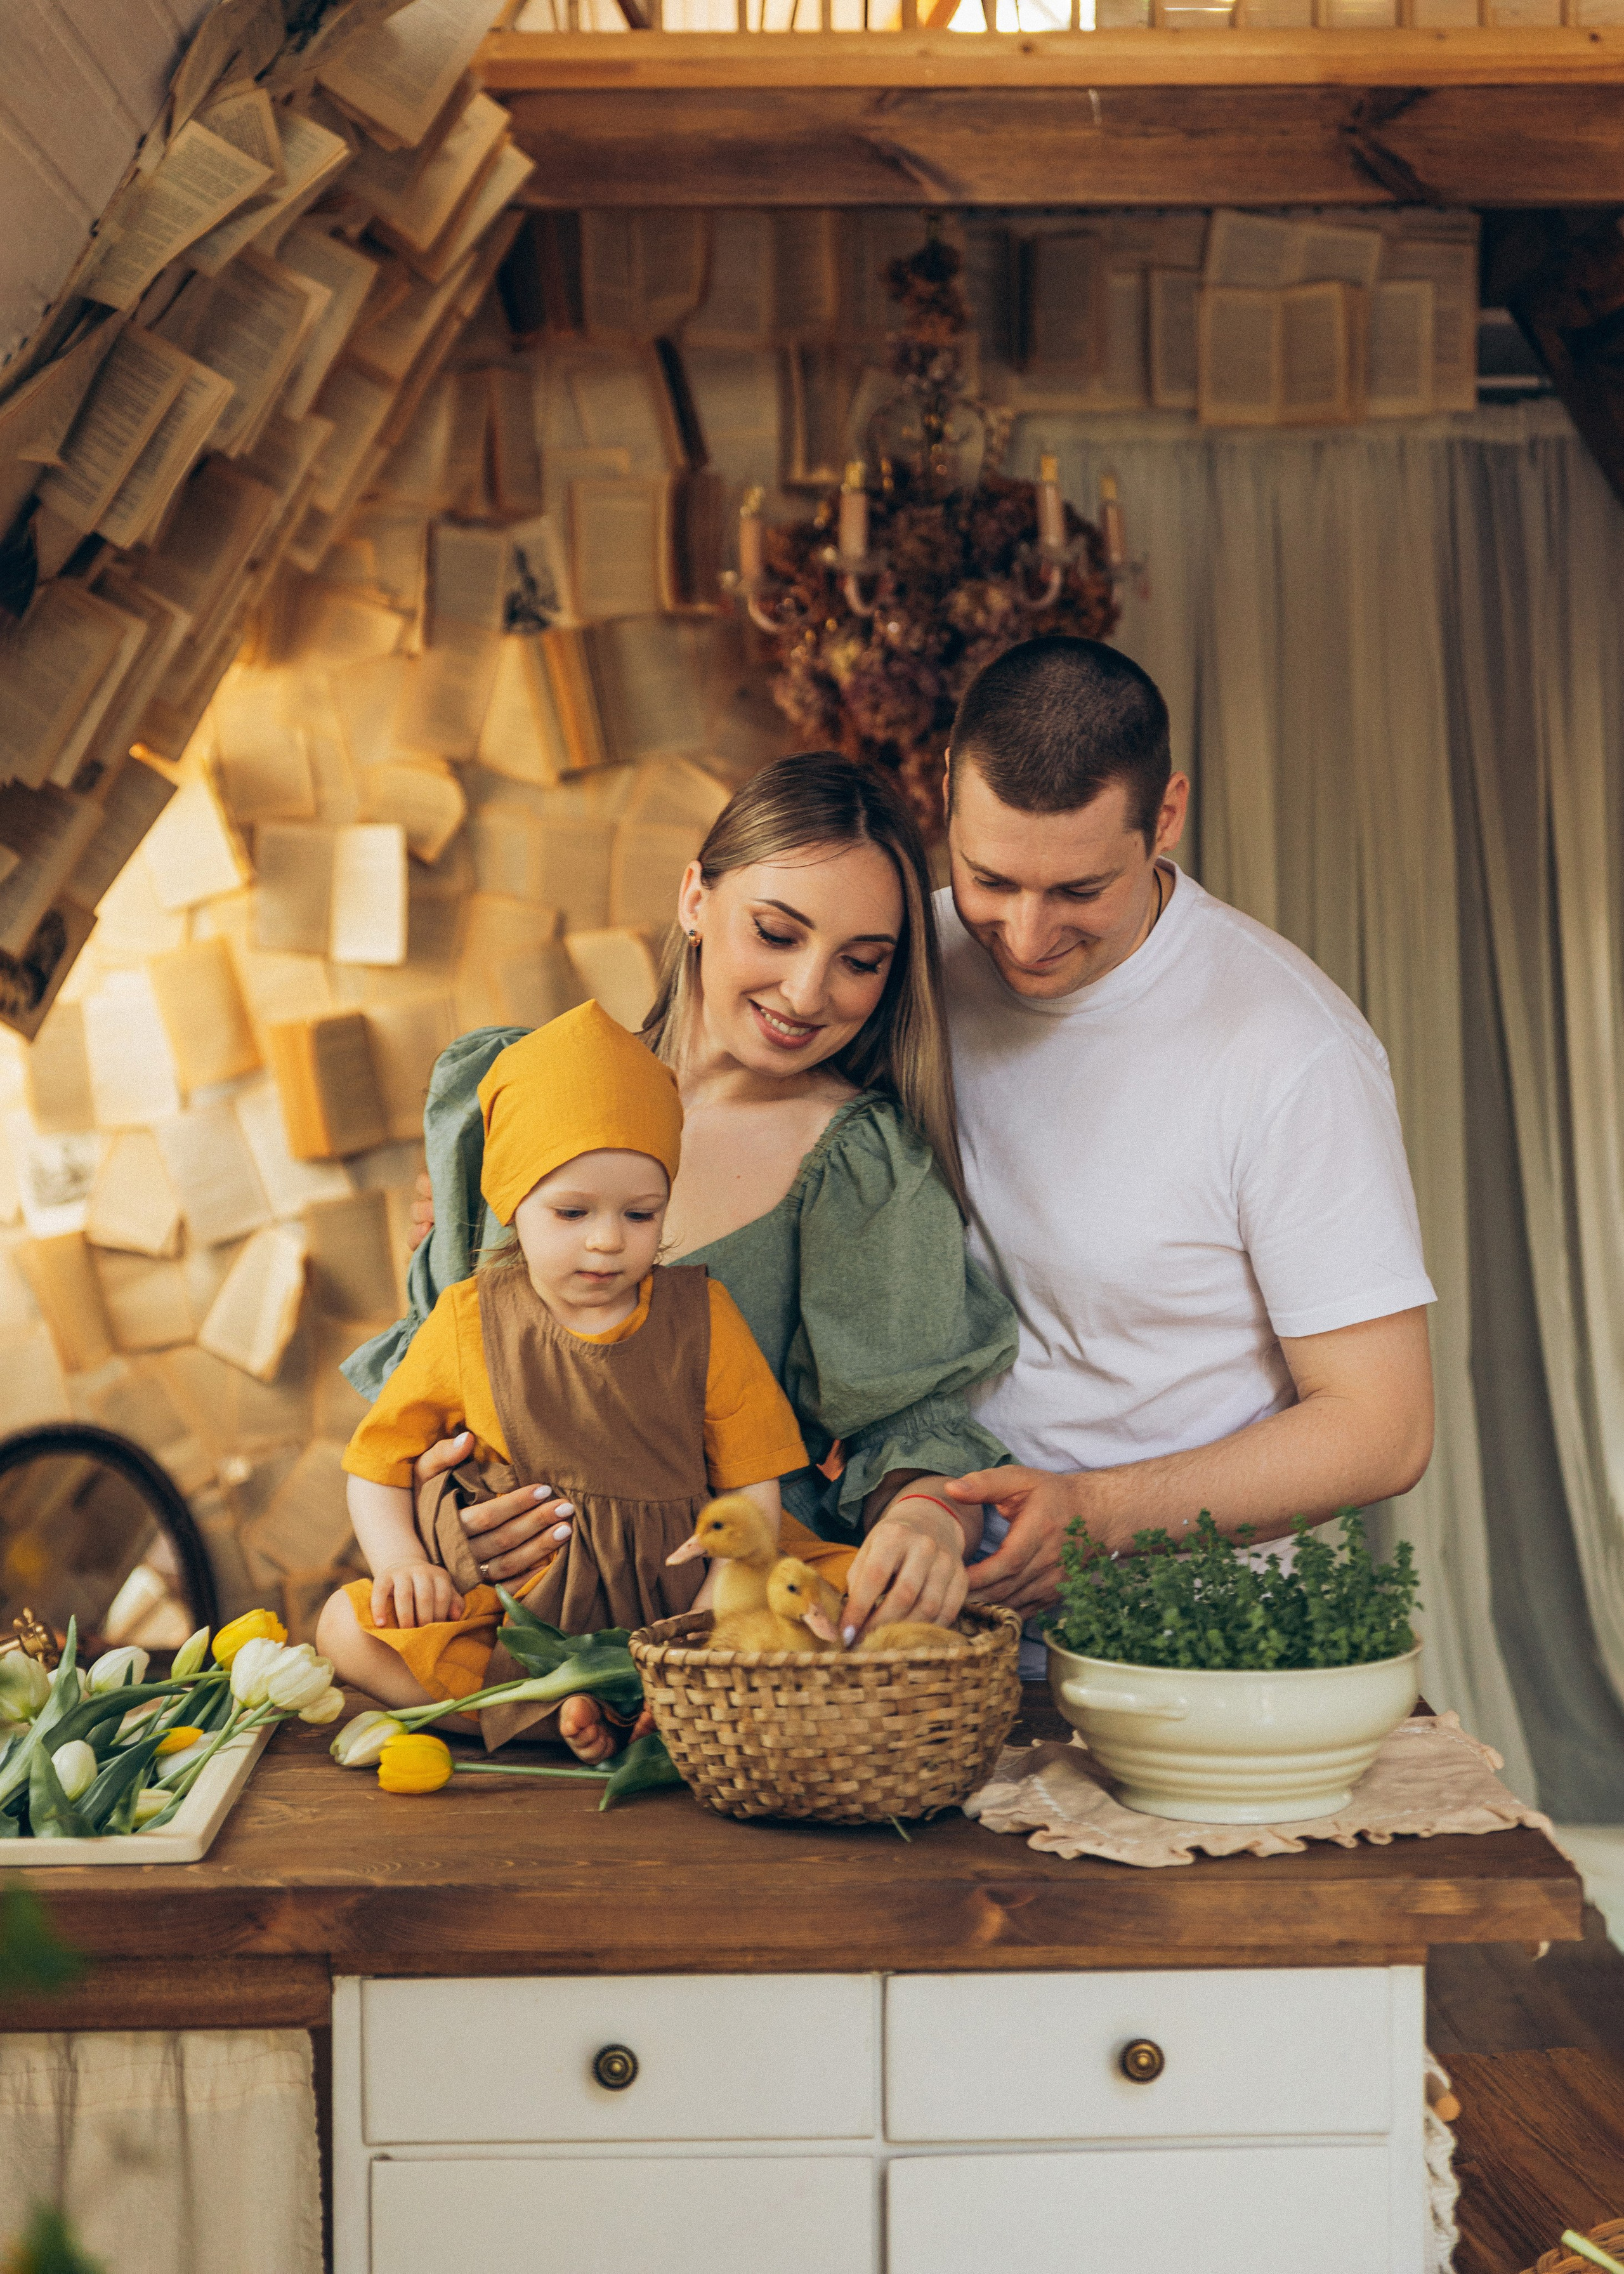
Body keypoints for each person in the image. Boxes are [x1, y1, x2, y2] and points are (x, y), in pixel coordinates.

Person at [343, 754, 1019, 1757]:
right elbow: (423, 1382)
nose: (807, 989)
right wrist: (445, 1530)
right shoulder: (523, 1089)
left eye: (860, 960)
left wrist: (925, 1526)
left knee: (816, 1623)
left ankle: (633, 1711)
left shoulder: (862, 1162)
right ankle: (592, 1712)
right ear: (697, 896)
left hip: (721, 1596)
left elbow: (908, 1429)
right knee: (349, 1634)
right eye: (778, 933)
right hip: (519, 1592)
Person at [929, 635, 1438, 1621]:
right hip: (928, 1628)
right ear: (947, 790)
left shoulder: (1293, 1049)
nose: (1025, 938)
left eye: (1080, 891)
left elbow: (1385, 1426)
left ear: (1166, 817)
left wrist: (1099, 1514)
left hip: (1191, 1631)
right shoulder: (902, 962)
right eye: (991, 880)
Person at [318, 1001, 816, 1751]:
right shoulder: (468, 1319)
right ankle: (548, 1710)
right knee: (345, 1628)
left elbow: (754, 1487)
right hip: (529, 1615)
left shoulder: (703, 1316)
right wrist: (403, 1562)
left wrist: (709, 1627)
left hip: (680, 1599)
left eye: (641, 1214)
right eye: (572, 1211)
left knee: (828, 1609)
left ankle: (659, 1702)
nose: (608, 1240)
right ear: (514, 1203)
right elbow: (376, 1465)